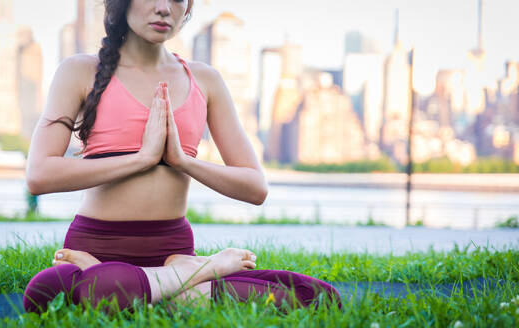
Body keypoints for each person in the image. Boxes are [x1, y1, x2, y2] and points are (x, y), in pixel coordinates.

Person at [22, 0, 341, 313]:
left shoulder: (204, 79)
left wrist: (183, 161)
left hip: (170, 250)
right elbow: (39, 174)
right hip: (96, 248)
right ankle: (195, 277)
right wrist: (141, 158)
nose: (164, 8)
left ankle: (162, 284)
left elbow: (255, 186)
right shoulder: (79, 71)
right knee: (42, 293)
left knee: (320, 297)